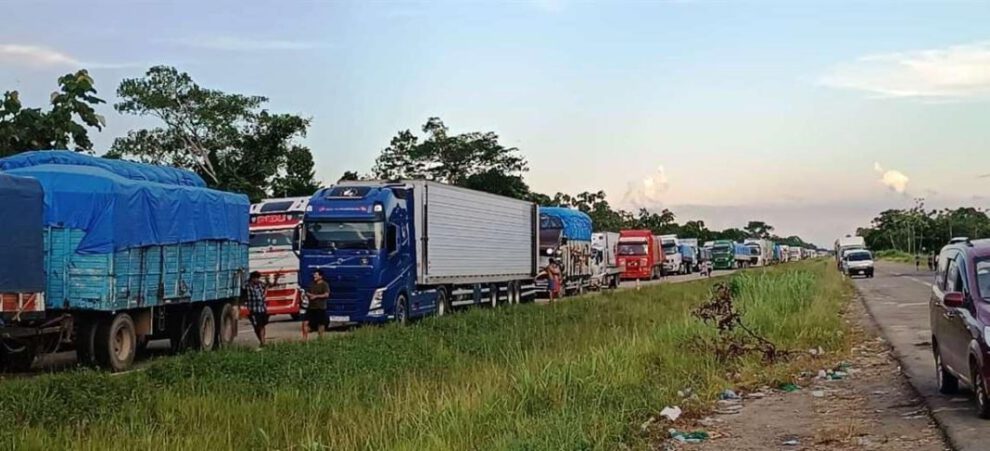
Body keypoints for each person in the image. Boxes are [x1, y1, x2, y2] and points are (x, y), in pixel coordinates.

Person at [243, 271, 269, 348]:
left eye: (258, 278)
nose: (257, 280)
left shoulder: (260, 284)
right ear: (252, 278)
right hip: (253, 310)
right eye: (255, 278)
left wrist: (267, 286)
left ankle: (263, 342)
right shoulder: (248, 286)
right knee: (256, 326)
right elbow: (243, 285)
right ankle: (261, 341)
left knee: (262, 326)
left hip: (262, 309)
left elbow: (268, 286)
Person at [305, 270, 330, 339]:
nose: (314, 276)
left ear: (320, 276)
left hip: (321, 307)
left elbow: (326, 294)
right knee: (306, 322)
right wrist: (310, 295)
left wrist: (316, 296)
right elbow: (307, 292)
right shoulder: (311, 284)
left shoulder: (325, 284)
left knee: (321, 324)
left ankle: (320, 338)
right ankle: (304, 339)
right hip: (311, 307)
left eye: (316, 275)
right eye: (314, 275)